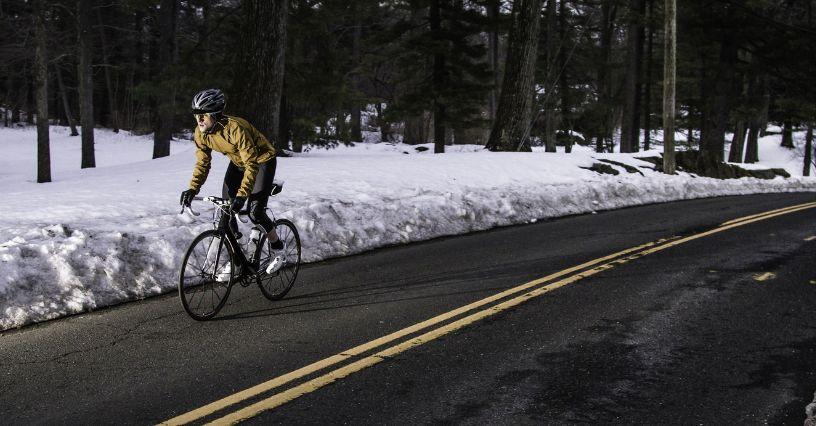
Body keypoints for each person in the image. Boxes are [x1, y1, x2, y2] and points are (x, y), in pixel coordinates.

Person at [180, 88, 283, 278]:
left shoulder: (235, 128)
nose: (199, 120)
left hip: (261, 162)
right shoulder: (200, 133)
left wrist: (242, 195)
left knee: (255, 211)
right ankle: (238, 260)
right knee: (225, 209)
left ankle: (278, 249)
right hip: (238, 163)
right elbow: (202, 163)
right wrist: (192, 189)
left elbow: (252, 164)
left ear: (215, 114)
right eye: (196, 115)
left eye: (203, 115)